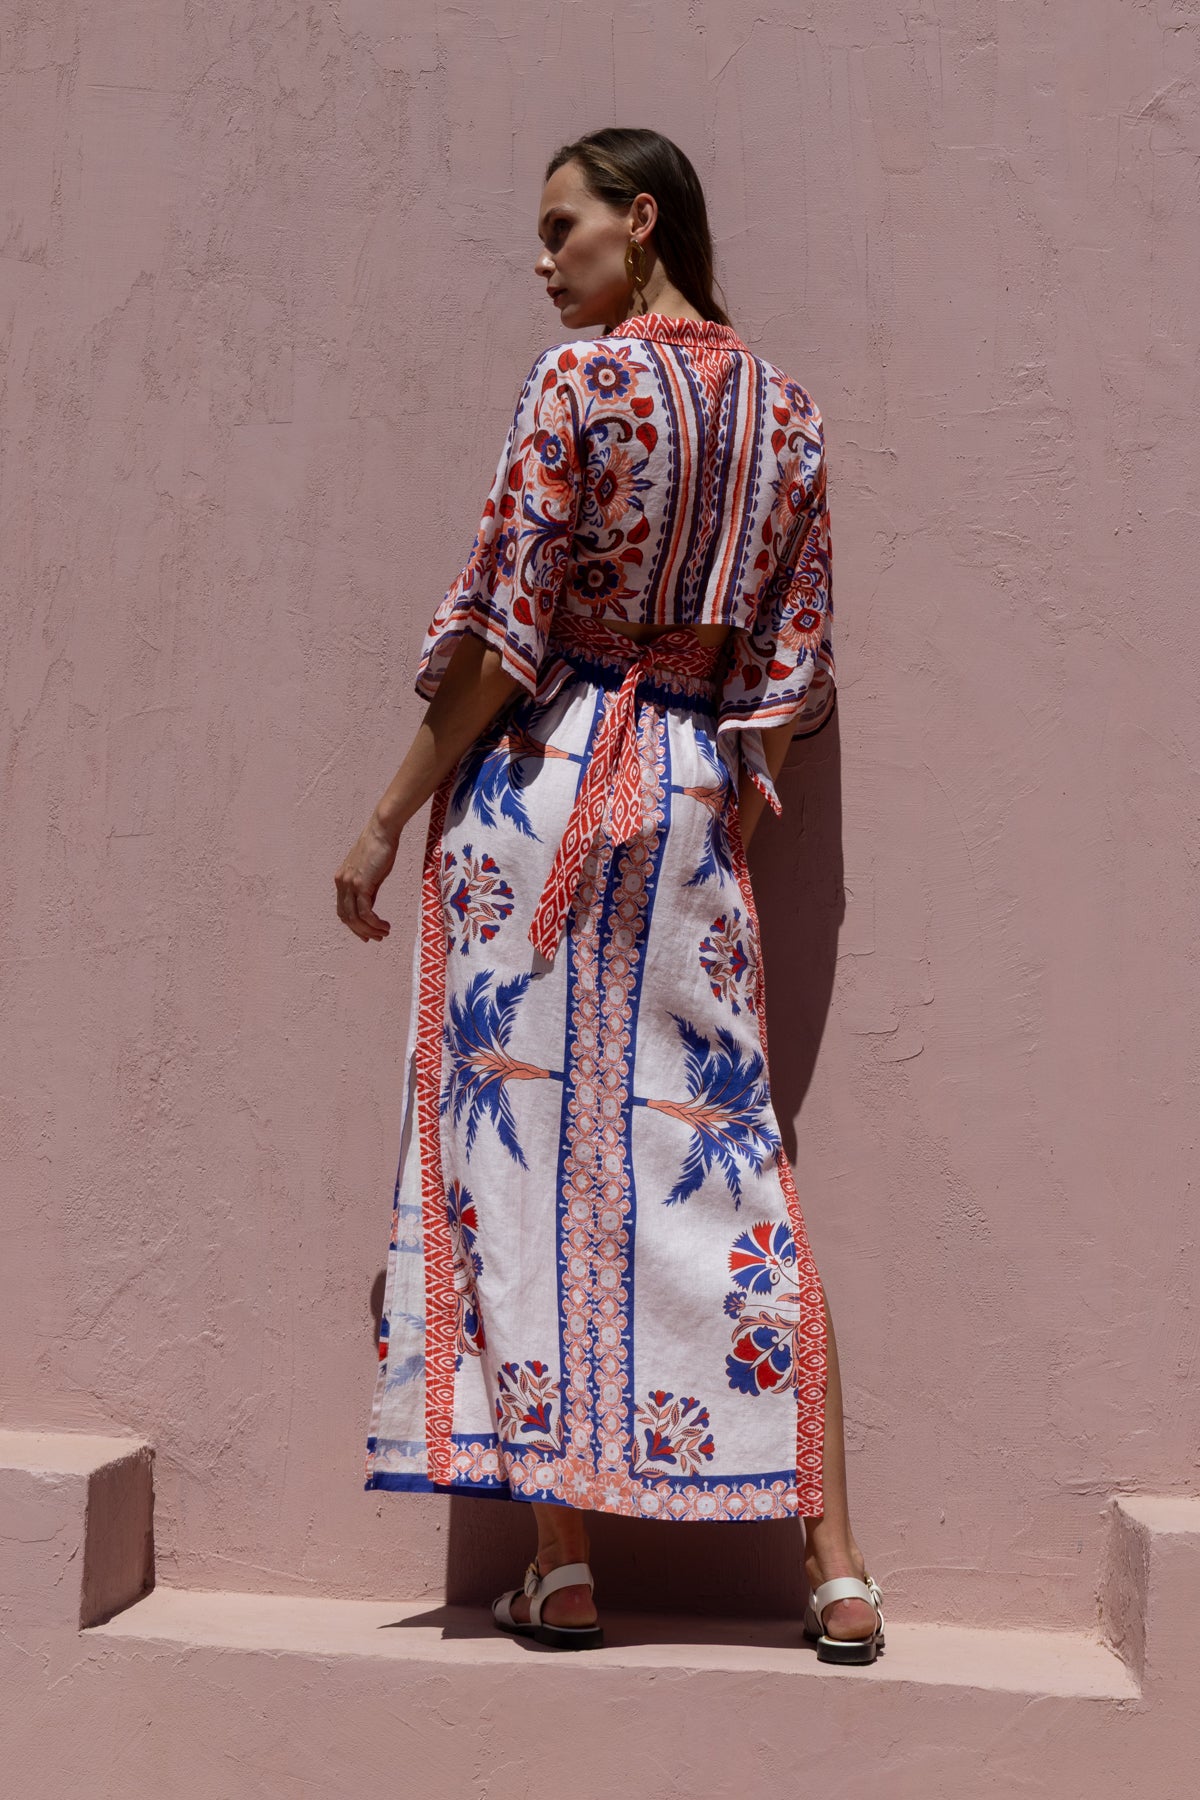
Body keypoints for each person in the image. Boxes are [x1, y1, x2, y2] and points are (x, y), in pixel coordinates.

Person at [336, 127, 884, 1665]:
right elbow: (791, 676)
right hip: (692, 796)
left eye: (561, 226)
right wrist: (716, 814)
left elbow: (504, 638)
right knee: (733, 1161)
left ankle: (565, 1565)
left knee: (518, 1158)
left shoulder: (576, 384)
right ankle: (837, 1569)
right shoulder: (790, 414)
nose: (543, 259)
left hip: (541, 789)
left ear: (642, 222)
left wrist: (382, 819)